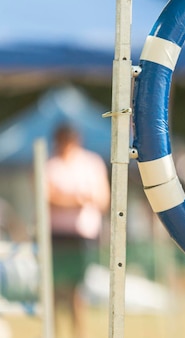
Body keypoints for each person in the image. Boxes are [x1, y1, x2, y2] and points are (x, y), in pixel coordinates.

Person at [46, 124, 110, 338]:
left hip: (82, 235)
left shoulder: (91, 163)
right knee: (54, 288)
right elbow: (47, 198)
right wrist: (76, 200)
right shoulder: (51, 165)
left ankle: (78, 333)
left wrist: (67, 200)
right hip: (56, 234)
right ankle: (53, 332)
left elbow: (102, 199)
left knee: (78, 290)